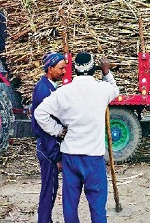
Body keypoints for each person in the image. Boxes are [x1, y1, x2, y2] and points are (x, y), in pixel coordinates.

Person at [35, 52, 119, 223]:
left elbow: (40, 113)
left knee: (70, 205)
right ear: (93, 69)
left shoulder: (63, 92)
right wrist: (106, 71)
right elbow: (114, 90)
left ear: (74, 70)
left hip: (70, 157)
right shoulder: (102, 89)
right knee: (97, 206)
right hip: (93, 158)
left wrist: (58, 130)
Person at [31, 52, 67, 223]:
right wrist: (55, 156)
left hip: (48, 147)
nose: (64, 72)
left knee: (51, 187)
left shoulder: (49, 86)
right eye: (61, 68)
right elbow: (45, 129)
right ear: (50, 69)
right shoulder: (44, 90)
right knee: (49, 190)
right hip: (47, 149)